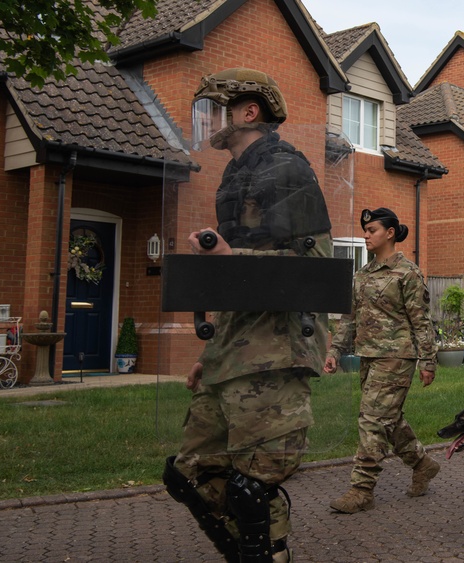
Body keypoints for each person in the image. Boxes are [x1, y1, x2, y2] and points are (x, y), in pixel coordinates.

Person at [163, 68, 333, 563]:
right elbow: (238, 282)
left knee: (251, 488)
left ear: (248, 111)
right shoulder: (235, 174)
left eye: (215, 108)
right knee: (190, 473)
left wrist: (230, 260)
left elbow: (317, 270)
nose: (207, 121)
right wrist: (210, 353)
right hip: (233, 354)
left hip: (274, 353)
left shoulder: (284, 168)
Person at [324, 208, 440, 513]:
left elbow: (421, 320)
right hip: (368, 356)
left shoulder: (407, 272)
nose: (365, 235)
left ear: (389, 233)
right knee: (388, 420)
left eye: (371, 230)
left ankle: (361, 489)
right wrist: (335, 351)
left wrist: (428, 361)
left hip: (397, 357)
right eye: (364, 230)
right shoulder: (362, 275)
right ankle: (423, 464)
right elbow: (349, 319)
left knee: (372, 420)